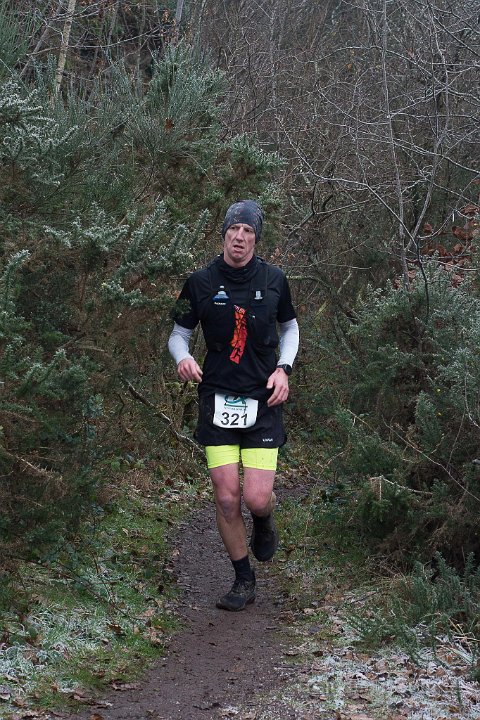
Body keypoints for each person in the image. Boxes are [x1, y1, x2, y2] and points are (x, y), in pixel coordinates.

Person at [168, 200, 299, 611]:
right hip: (217, 397)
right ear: (223, 233)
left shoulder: (274, 280)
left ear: (256, 239)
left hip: (263, 398)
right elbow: (178, 333)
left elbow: (290, 328)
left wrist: (284, 369)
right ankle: (243, 578)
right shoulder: (200, 282)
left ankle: (264, 518)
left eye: (248, 232)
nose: (239, 238)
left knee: (256, 498)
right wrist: (182, 358)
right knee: (227, 498)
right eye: (233, 230)